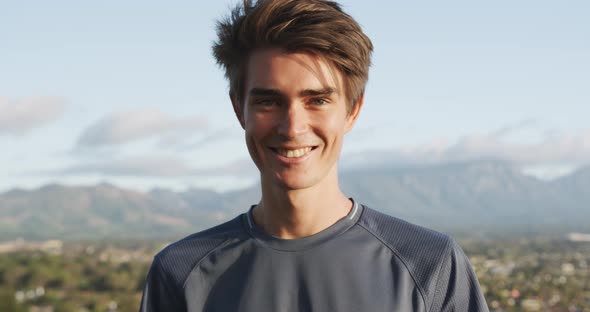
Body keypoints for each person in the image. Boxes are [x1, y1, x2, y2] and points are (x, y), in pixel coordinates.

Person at [140, 0, 489, 311]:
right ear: (239, 109)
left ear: (353, 110)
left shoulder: (430, 265)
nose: (293, 127)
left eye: (317, 100)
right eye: (268, 101)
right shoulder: (180, 273)